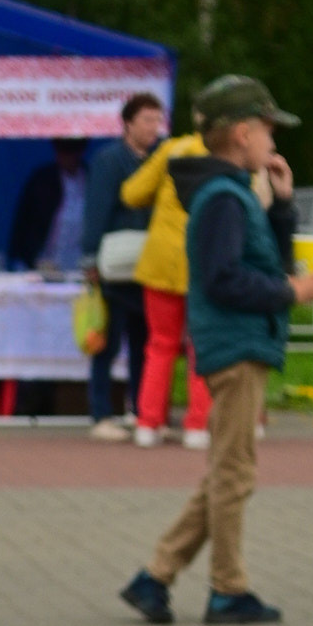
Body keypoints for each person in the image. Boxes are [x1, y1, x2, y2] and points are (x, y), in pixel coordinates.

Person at [120, 76, 313, 626]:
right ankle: (227, 590)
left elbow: (262, 262)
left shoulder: (234, 193)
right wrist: (293, 292)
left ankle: (155, 578)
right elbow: (223, 279)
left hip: (243, 344)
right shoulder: (223, 198)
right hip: (235, 346)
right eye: (267, 130)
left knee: (225, 472)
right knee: (235, 475)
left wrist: (282, 207)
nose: (272, 141)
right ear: (242, 134)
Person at [121, 109, 212, 447]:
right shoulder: (228, 156)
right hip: (205, 262)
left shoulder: (171, 150)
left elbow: (131, 193)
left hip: (162, 261)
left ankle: (148, 423)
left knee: (160, 344)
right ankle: (197, 426)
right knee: (202, 346)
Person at [81, 92, 161, 437]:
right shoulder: (109, 160)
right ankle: (101, 415)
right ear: (127, 123)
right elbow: (96, 210)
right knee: (107, 341)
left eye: (157, 120)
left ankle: (141, 411)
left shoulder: (160, 159)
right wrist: (90, 258)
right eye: (147, 120)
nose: (154, 127)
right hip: (114, 265)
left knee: (145, 341)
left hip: (149, 265)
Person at [6, 139, 90, 270]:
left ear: (80, 152)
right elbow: (23, 224)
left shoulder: (91, 177)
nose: (67, 157)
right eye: (62, 151)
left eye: (72, 151)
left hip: (81, 264)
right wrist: (33, 260)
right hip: (45, 263)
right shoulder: (42, 180)